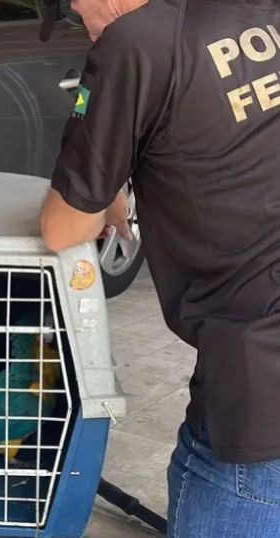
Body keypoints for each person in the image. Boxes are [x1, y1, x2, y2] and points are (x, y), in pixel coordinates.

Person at [40, 0, 280, 536]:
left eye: (75, 10)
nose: (79, 18)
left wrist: (98, 179)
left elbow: (62, 227)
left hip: (261, 381)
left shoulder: (137, 41)